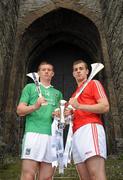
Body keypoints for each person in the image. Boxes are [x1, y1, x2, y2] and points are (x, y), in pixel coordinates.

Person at [17, 61, 63, 180]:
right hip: (33, 134)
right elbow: (20, 110)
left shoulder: (58, 94)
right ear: (38, 73)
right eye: (43, 69)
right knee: (28, 175)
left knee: (47, 177)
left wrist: (58, 115)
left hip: (51, 138)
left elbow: (60, 118)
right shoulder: (30, 87)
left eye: (49, 70)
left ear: (53, 73)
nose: (46, 71)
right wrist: (35, 106)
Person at [68, 60, 109, 180]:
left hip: (90, 129)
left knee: (96, 175)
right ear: (73, 74)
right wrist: (64, 115)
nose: (78, 71)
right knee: (85, 177)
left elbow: (105, 106)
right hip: (76, 134)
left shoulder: (93, 83)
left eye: (81, 68)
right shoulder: (74, 95)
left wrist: (79, 106)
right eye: (75, 70)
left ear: (87, 71)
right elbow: (71, 115)